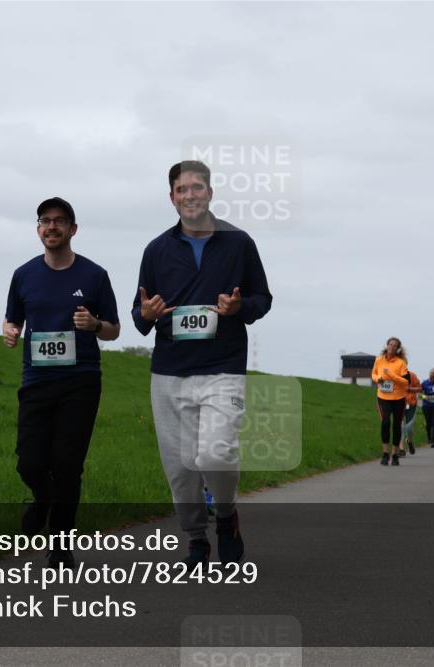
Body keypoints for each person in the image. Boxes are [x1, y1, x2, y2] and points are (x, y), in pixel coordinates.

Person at [132, 160, 272, 569]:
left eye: (197, 187)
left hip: (222, 366)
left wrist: (238, 306)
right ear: (171, 197)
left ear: (211, 193)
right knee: (180, 470)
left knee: (216, 455)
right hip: (170, 372)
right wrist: (148, 313)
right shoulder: (155, 250)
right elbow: (140, 315)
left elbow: (262, 299)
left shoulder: (239, 242)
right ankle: (196, 540)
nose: (189, 195)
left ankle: (226, 515)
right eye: (181, 189)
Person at [4, 197, 121, 568]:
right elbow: (13, 320)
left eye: (59, 221)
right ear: (39, 229)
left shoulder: (94, 276)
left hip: (80, 381)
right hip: (36, 380)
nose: (51, 227)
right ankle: (42, 501)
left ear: (73, 229)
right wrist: (10, 331)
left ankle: (61, 545)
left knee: (68, 465)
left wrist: (95, 325)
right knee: (30, 464)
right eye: (44, 221)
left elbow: (114, 330)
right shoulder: (23, 275)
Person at [372, 337, 411, 465]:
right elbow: (373, 374)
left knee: (396, 425)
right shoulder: (379, 360)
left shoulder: (401, 363)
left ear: (397, 348)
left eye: (395, 346)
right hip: (383, 397)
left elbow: (406, 382)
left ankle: (395, 454)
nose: (392, 347)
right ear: (387, 345)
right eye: (390, 344)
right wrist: (378, 379)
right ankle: (385, 453)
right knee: (386, 422)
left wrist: (392, 376)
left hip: (399, 398)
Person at [401, 368, 421, 455]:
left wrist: (409, 389)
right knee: (400, 426)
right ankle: (401, 449)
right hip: (398, 403)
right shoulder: (394, 375)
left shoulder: (412, 375)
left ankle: (409, 441)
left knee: (409, 428)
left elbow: (419, 388)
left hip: (411, 404)